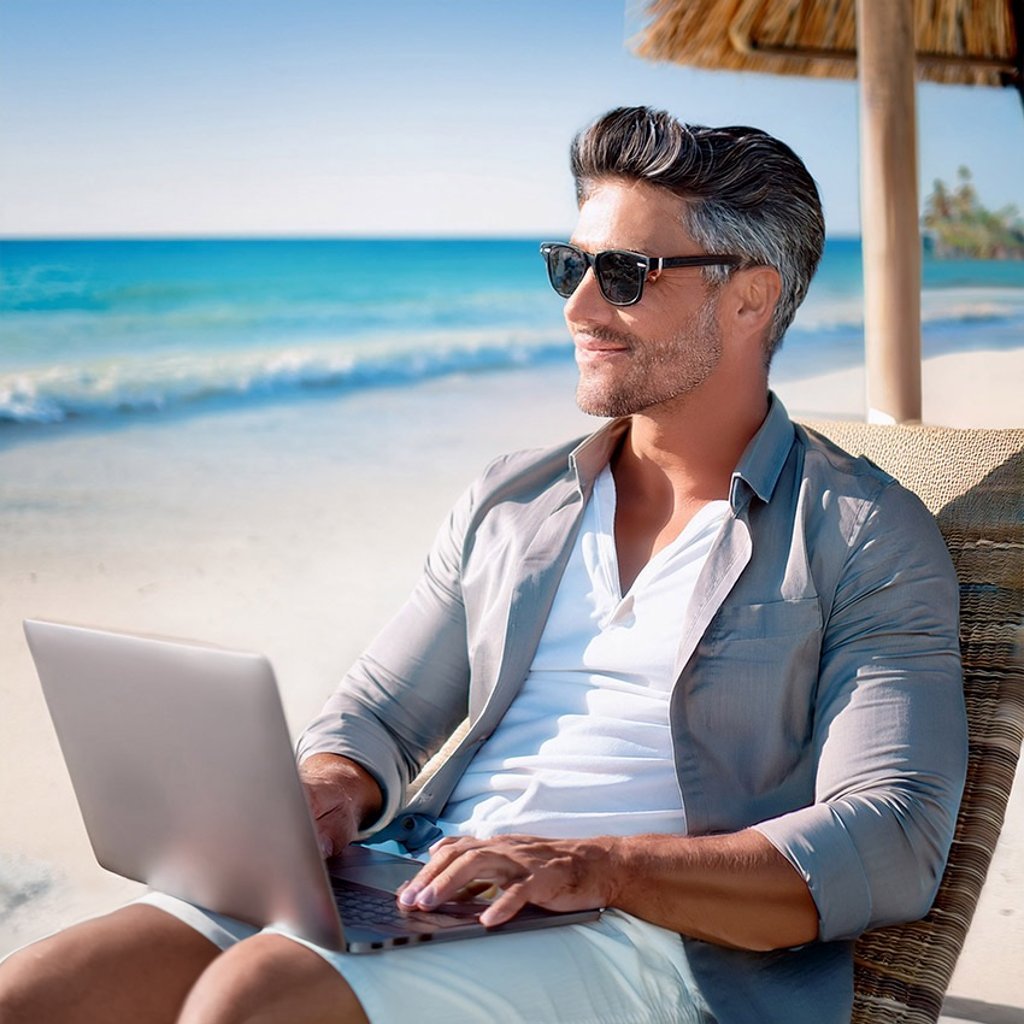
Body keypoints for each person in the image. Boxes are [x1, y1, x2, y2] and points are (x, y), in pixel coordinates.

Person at [0, 106, 967, 1024]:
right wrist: (332, 787)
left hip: (649, 943)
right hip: (424, 880)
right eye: (569, 267)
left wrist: (604, 866)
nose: (580, 306)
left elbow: (891, 836)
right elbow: (379, 715)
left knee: (251, 1000)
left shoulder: (861, 534)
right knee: (40, 992)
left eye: (624, 273)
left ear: (751, 294)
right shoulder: (513, 501)